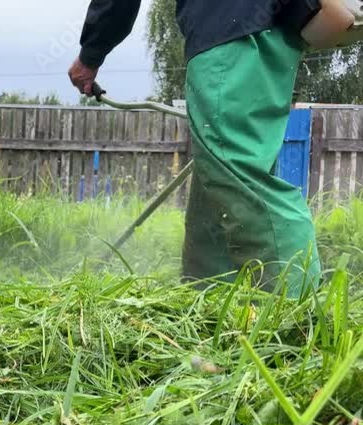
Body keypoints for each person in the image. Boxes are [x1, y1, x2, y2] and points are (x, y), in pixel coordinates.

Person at [69, 0, 324, 297]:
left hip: (230, 30)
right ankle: (207, 306)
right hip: (272, 30)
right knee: (217, 183)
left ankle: (299, 316)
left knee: (238, 174)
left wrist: (91, 53)